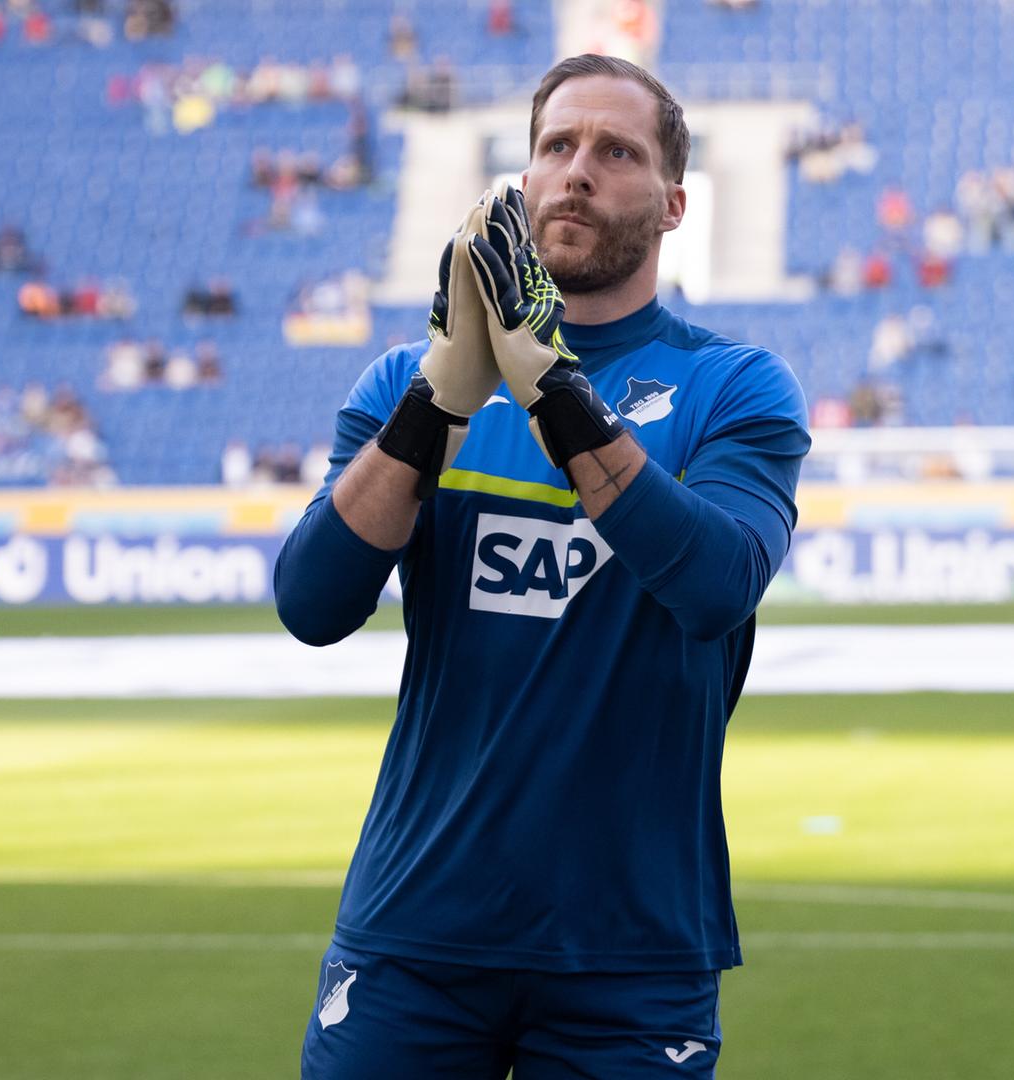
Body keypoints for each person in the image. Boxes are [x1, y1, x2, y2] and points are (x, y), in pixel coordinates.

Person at [277, 54, 809, 1076]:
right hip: (415, 927)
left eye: (616, 152)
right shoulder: (411, 380)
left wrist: (555, 391)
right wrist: (440, 399)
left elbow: (714, 586)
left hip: (633, 947)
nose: (577, 171)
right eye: (556, 147)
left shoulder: (735, 386)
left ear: (674, 202)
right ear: (521, 182)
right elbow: (311, 601)